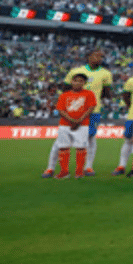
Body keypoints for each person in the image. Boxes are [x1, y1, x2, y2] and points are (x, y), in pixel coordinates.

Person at [44, 49, 112, 178]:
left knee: (90, 138)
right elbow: (65, 90)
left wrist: (94, 99)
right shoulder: (75, 71)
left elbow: (106, 92)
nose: (99, 58)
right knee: (61, 142)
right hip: (71, 112)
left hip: (93, 111)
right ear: (88, 56)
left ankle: (88, 167)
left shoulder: (106, 73)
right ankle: (50, 168)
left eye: (101, 56)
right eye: (96, 55)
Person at [52, 73, 96, 179]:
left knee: (81, 147)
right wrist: (72, 120)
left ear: (84, 83)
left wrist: (79, 120)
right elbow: (61, 110)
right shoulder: (64, 95)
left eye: (81, 81)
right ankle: (64, 171)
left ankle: (79, 172)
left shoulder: (89, 94)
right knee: (63, 147)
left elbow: (91, 108)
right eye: (76, 80)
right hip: (65, 125)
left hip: (83, 124)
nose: (78, 83)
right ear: (72, 81)